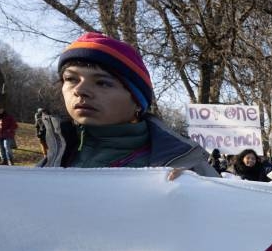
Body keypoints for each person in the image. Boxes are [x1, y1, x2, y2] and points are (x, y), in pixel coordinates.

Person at [39, 32, 217, 176]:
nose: (80, 90)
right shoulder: (50, 163)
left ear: (137, 101)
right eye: (71, 79)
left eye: (102, 83)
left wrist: (192, 192)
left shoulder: (185, 168)